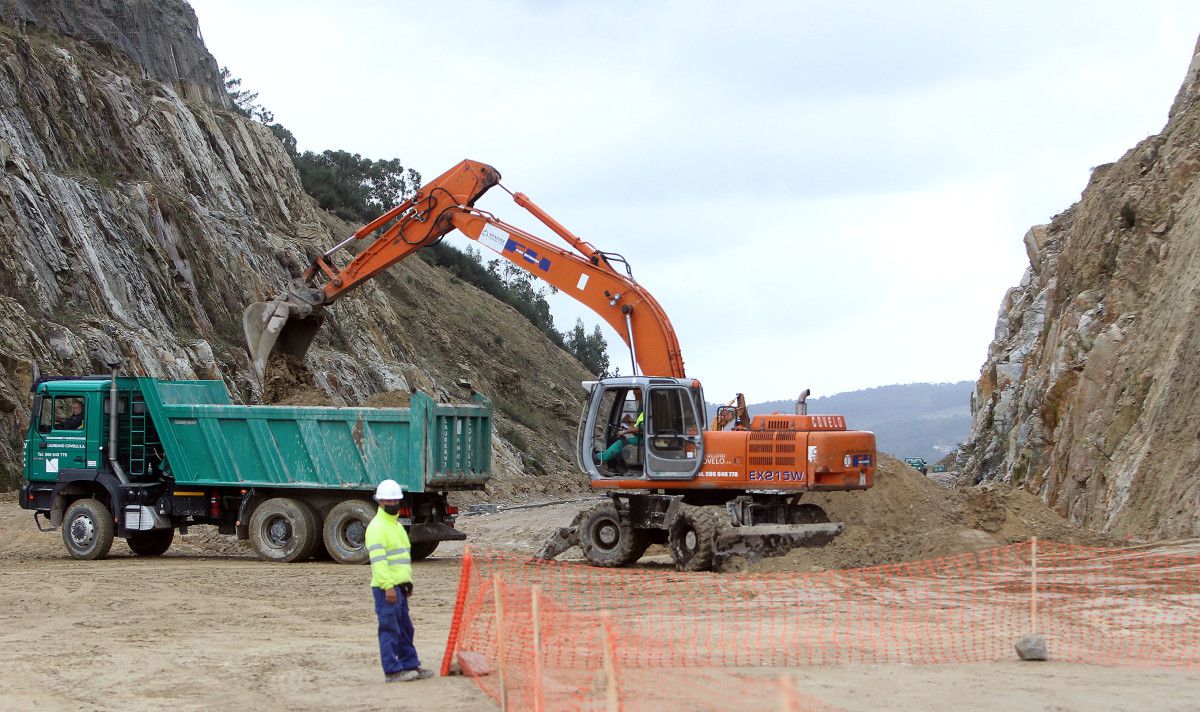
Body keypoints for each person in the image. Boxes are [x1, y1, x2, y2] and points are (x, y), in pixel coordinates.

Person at [365, 479, 433, 683]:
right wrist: (388, 587)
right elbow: (379, 563)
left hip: (399, 586)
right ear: (380, 502)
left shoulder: (396, 527)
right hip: (386, 588)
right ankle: (392, 671)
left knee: (405, 628)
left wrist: (406, 582)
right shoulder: (376, 528)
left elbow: (402, 559)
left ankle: (410, 664)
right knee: (389, 628)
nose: (393, 504)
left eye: (396, 500)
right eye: (389, 501)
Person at [596, 390, 643, 464]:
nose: (636, 398)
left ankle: (599, 458)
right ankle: (604, 454)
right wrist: (629, 426)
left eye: (637, 395)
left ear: (643, 394)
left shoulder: (647, 411)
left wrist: (624, 431)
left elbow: (642, 429)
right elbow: (639, 427)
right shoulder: (644, 411)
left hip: (644, 439)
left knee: (620, 443)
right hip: (641, 436)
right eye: (634, 395)